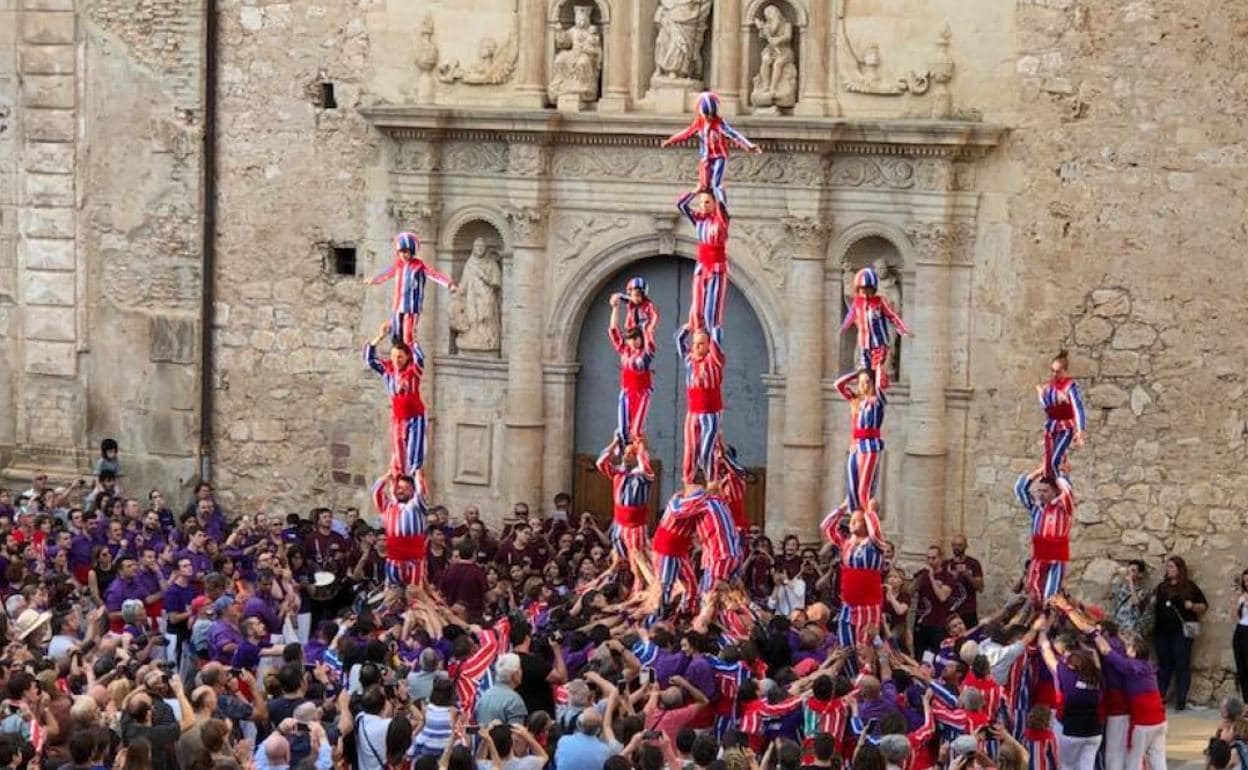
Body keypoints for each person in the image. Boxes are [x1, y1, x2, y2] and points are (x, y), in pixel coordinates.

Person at [662, 91, 760, 211]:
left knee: (716, 184)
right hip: (706, 158)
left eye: (711, 115)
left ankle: (721, 209)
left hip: (719, 156)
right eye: (707, 115)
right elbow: (686, 133)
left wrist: (748, 146)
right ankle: (704, 205)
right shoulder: (699, 123)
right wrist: (671, 140)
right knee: (703, 186)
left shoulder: (719, 123)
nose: (709, 118)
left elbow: (734, 135)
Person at [364, 231, 456, 346]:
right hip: (398, 306)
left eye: (407, 252)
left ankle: (413, 358)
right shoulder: (398, 265)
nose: (404, 255)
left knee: (408, 337)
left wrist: (449, 284)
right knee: (396, 336)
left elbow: (434, 274)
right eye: (402, 252)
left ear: (412, 252)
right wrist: (374, 280)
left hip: (412, 308)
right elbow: (386, 274)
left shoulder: (419, 265)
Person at [365, 321, 429, 478]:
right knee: (399, 455)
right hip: (398, 418)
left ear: (407, 357)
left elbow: (420, 358)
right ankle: (398, 481)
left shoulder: (414, 371)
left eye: (400, 356)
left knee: (414, 454)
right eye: (393, 356)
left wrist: (412, 339)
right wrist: (380, 336)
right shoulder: (388, 370)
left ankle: (415, 483)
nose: (396, 360)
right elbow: (370, 360)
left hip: (415, 417)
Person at [820, 501, 886, 650]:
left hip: (867, 607)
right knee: (846, 648)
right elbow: (826, 527)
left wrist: (871, 511)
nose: (852, 523)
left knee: (864, 648)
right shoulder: (847, 544)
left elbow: (875, 531)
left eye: (857, 520)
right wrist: (842, 508)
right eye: (851, 520)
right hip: (847, 606)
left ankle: (866, 673)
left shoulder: (875, 544)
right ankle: (849, 673)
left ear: (867, 523)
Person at [595, 437, 657, 590]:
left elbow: (646, 469)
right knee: (620, 560)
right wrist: (615, 442)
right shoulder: (619, 473)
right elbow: (600, 463)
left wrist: (641, 447)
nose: (626, 456)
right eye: (625, 454)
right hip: (619, 525)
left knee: (638, 562)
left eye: (630, 454)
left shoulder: (642, 477)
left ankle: (649, 590)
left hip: (634, 527)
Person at [840, 267, 911, 390]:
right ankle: (866, 386)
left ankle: (882, 379)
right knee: (864, 367)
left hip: (879, 342)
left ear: (873, 289)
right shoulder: (857, 302)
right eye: (863, 291)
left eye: (869, 291)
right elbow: (850, 316)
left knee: (878, 366)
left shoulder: (880, 301)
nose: (866, 294)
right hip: (864, 342)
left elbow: (892, 315)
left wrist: (903, 330)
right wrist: (843, 328)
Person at [1153, 555, 1207, 710]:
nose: (1168, 569)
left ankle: (1181, 700)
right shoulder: (1162, 587)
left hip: (1182, 632)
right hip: (1162, 631)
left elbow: (1203, 606)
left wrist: (1192, 606)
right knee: (1164, 665)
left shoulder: (1189, 587)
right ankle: (1160, 696)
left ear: (1179, 569)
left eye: (1172, 567)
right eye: (1168, 567)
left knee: (1182, 664)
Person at [649, 482, 709, 619]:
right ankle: (656, 619)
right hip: (666, 551)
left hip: (679, 552)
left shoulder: (697, 507)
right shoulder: (676, 503)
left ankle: (683, 615)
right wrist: (706, 495)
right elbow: (678, 511)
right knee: (664, 588)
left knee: (691, 585)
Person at [1014, 469, 1074, 603]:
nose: (1041, 494)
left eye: (1045, 491)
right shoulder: (1035, 508)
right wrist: (1038, 472)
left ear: (1055, 492)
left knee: (1050, 598)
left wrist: (1057, 472)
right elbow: (1019, 489)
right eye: (1039, 491)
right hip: (1038, 557)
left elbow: (1067, 490)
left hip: (1056, 556)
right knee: (1034, 596)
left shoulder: (1063, 509)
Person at [833, 368, 887, 513]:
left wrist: (876, 369)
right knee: (852, 489)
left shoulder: (877, 401)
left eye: (867, 382)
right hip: (855, 446)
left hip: (870, 445)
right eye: (860, 382)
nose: (863, 386)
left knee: (864, 490)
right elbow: (838, 384)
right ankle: (854, 517)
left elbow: (881, 384)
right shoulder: (855, 400)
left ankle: (868, 521)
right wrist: (856, 374)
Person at [677, 324, 725, 485]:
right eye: (695, 343)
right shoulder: (689, 360)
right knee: (690, 450)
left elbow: (718, 338)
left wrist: (714, 328)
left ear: (708, 345)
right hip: (693, 413)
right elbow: (678, 340)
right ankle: (688, 482)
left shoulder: (714, 361)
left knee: (706, 451)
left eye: (701, 344)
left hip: (710, 413)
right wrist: (687, 328)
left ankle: (712, 480)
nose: (696, 347)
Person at [607, 295, 656, 447]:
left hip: (641, 394)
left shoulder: (646, 353)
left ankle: (641, 456)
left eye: (637, 338)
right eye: (631, 338)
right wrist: (616, 306)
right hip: (626, 392)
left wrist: (645, 319)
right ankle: (623, 453)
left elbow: (649, 329)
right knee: (623, 431)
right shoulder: (624, 350)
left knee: (637, 431)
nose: (634, 341)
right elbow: (614, 331)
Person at [1035, 350, 1086, 478]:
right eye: (1053, 371)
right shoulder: (1049, 387)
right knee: (1047, 465)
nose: (1054, 374)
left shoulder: (1069, 386)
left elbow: (1078, 407)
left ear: (1065, 371)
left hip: (1065, 428)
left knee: (1054, 462)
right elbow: (1047, 407)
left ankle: (1063, 489)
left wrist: (1080, 430)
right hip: (1051, 427)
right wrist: (1042, 395)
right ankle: (1052, 489)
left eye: (1058, 371)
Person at [373, 473, 428, 587]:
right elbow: (376, 491)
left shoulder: (417, 506)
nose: (401, 491)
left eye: (406, 488)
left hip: (415, 562)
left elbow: (420, 491)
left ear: (413, 491)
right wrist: (388, 475)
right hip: (394, 561)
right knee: (394, 595)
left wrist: (417, 473)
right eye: (399, 488)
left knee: (414, 596)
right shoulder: (388, 506)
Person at [912, 546, 955, 657]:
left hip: (937, 623)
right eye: (928, 558)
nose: (930, 561)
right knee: (919, 655)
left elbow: (942, 597)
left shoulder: (947, 577)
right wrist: (917, 579)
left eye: (933, 558)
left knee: (935, 656)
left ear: (940, 558)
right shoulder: (923, 575)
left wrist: (931, 578)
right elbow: (910, 593)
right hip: (921, 622)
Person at [438, 541, 490, 622]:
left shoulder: (448, 571)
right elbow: (487, 595)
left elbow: (440, 593)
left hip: (452, 616)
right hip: (473, 617)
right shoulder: (478, 572)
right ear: (474, 554)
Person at [475, 653, 526, 727]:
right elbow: (516, 735)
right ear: (515, 675)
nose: (522, 671)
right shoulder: (514, 700)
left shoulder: (484, 696)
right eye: (520, 668)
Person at [943, 534, 984, 627]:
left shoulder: (973, 563)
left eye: (959, 545)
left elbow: (980, 588)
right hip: (950, 611)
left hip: (968, 610)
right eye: (954, 545)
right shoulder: (946, 564)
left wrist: (967, 574)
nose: (956, 548)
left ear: (966, 546)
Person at [615, 277, 660, 344]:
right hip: (631, 329)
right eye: (634, 295)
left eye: (639, 296)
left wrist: (651, 326)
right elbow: (621, 296)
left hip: (642, 330)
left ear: (644, 296)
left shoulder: (647, 305)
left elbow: (655, 315)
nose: (636, 298)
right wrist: (616, 296)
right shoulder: (631, 302)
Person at [1234, 569, 1248, 701]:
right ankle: (1246, 701)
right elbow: (1236, 616)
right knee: (1242, 668)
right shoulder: (1242, 597)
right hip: (1241, 630)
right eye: (1245, 581)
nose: (1247, 583)